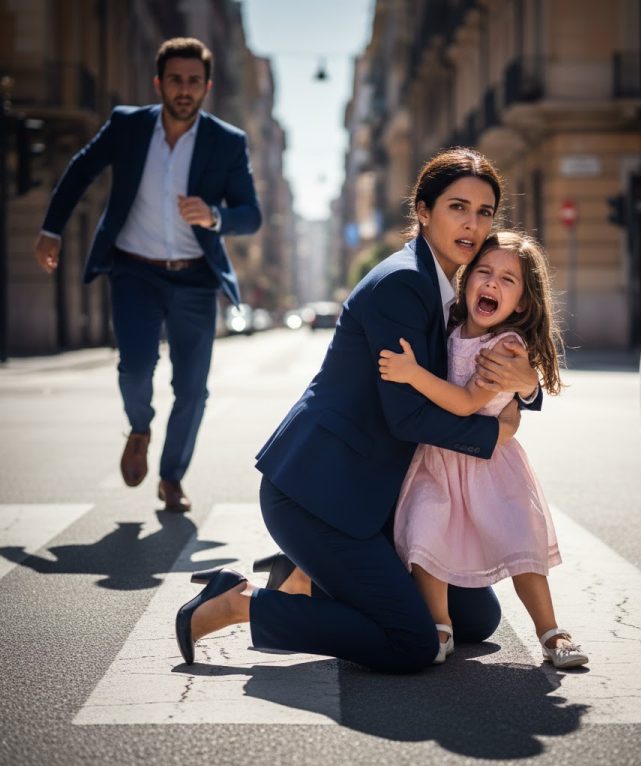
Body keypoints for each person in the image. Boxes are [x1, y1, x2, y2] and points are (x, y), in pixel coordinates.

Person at [175, 148, 542, 673]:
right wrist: (495, 435)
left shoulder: (455, 286)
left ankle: (306, 574)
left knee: (475, 618)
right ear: (422, 210)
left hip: (372, 495)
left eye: (485, 212)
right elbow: (407, 417)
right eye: (458, 207)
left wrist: (526, 390)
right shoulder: (402, 284)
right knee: (412, 643)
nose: (472, 223)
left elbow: (499, 356)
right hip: (317, 493)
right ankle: (240, 602)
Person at [34, 38, 262, 512]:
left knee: (193, 388)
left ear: (207, 87)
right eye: (175, 80)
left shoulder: (227, 141)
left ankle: (172, 477)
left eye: (193, 82)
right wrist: (51, 228)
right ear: (158, 83)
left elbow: (251, 214)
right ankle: (140, 428)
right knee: (134, 369)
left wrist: (214, 216)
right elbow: (80, 171)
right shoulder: (128, 126)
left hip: (196, 278)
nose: (184, 90)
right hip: (134, 271)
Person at [379, 230, 588, 668]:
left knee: (520, 543)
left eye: (508, 280)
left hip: (490, 466)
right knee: (426, 535)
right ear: (467, 279)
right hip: (437, 462)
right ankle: (440, 627)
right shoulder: (450, 325)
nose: (492, 283)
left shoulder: (505, 347)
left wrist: (412, 374)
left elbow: (468, 403)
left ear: (524, 304)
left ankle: (550, 631)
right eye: (485, 272)